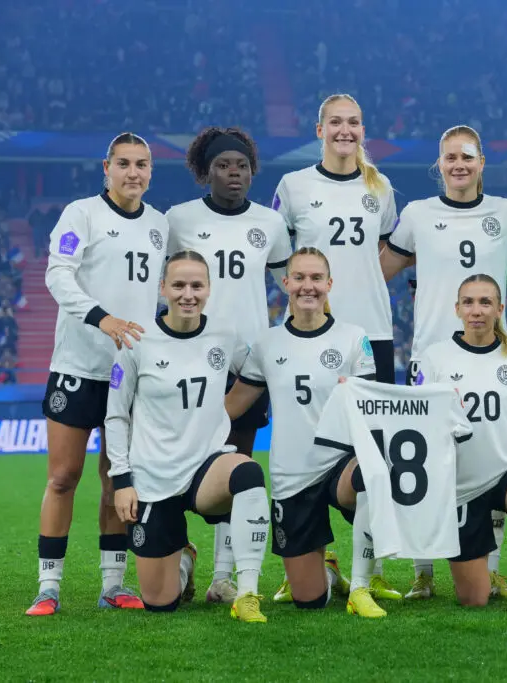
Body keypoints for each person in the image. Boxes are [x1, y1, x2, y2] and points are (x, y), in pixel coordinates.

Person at [379, 125, 507, 599]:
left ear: (482, 162)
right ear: (439, 165)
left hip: (491, 353)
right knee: (432, 465)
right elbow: (380, 269)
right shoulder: (418, 214)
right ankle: (423, 571)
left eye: (467, 157)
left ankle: (493, 567)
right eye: (450, 158)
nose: (458, 164)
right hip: (430, 357)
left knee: (493, 457)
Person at [27, 133, 168, 616]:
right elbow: (57, 273)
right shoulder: (81, 213)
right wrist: (101, 317)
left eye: (142, 164)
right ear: (105, 168)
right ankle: (48, 587)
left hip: (128, 375)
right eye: (124, 164)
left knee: (116, 479)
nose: (134, 173)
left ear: (151, 170)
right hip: (78, 367)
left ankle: (113, 585)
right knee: (64, 476)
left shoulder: (159, 224)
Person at [272, 95, 400, 598]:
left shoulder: (381, 187)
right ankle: (319, 560)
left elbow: (385, 251)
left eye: (353, 123)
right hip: (307, 336)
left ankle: (372, 572)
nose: (344, 130)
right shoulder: (294, 186)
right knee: (311, 446)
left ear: (362, 130)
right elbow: (278, 254)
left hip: (373, 334)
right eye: (335, 123)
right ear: (319, 128)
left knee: (372, 456)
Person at [166, 126, 293, 604]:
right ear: (206, 171)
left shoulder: (270, 224)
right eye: (223, 165)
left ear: (252, 170)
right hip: (188, 364)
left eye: (241, 165)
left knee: (236, 468)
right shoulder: (179, 219)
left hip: (247, 369)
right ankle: (180, 554)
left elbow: (291, 283)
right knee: (176, 459)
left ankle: (223, 575)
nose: (233, 173)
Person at [106, 250, 269, 622]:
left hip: (205, 469)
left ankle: (245, 592)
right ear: (162, 288)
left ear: (209, 289)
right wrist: (122, 481)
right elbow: (115, 416)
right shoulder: (137, 342)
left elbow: (259, 371)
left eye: (197, 285)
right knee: (160, 603)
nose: (188, 294)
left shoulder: (224, 334)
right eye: (178, 285)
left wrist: (222, 413)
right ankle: (185, 560)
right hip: (153, 477)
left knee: (247, 472)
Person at [223, 247, 386, 614]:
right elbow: (233, 405)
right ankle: (328, 575)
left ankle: (361, 587)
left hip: (339, 464)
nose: (307, 286)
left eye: (316, 278)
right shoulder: (267, 344)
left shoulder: (352, 337)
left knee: (369, 476)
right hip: (292, 474)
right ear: (286, 283)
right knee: (309, 601)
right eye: (299, 278)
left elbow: (371, 406)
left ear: (329, 284)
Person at [417, 274, 507, 617]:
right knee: (473, 599)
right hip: (460, 486)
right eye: (469, 302)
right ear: (457, 309)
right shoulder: (434, 358)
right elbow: (418, 418)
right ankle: (466, 572)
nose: (476, 310)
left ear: (500, 308)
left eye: (485, 302)